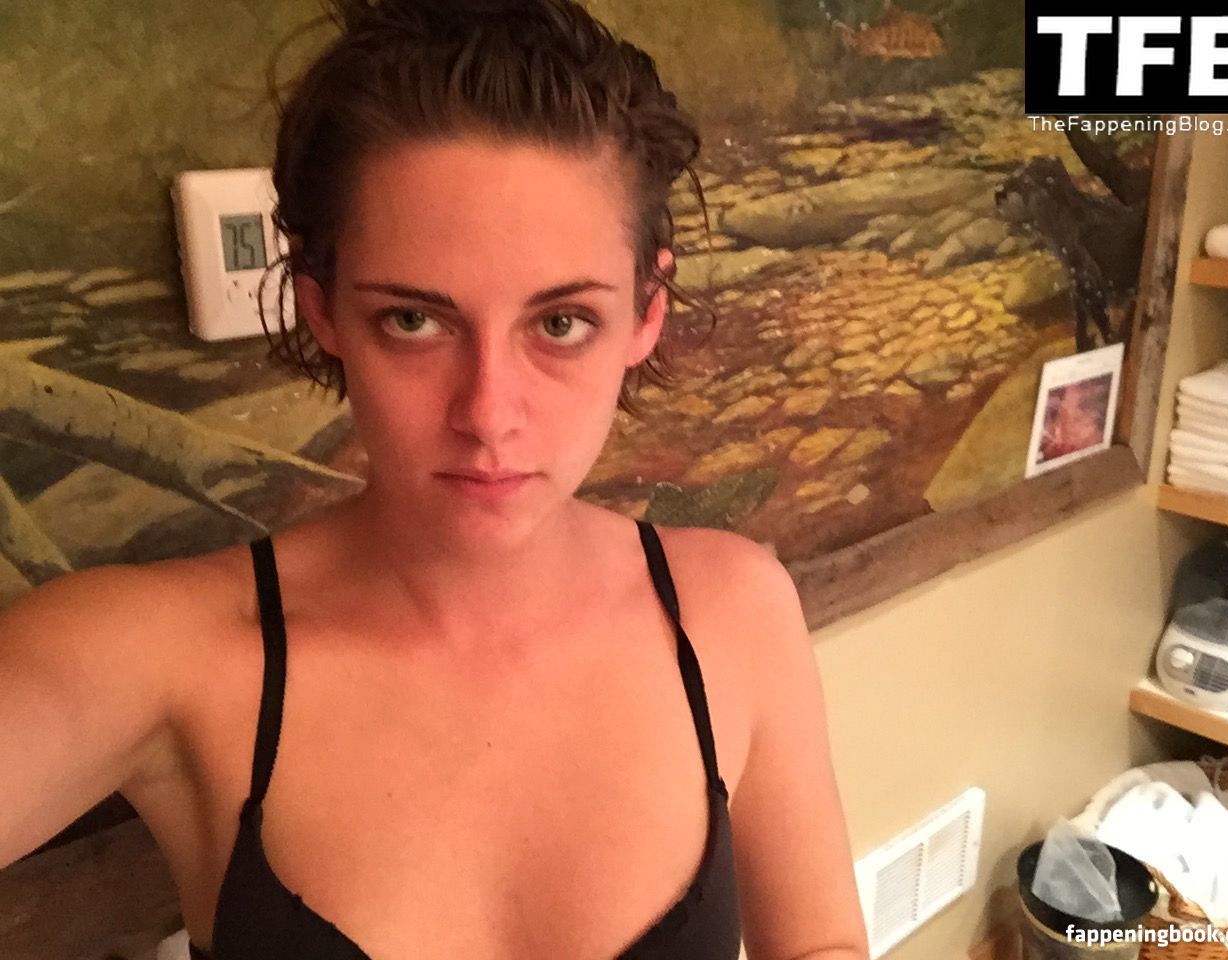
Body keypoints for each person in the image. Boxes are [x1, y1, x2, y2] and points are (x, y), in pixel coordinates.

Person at [0, 1, 870, 957]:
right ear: (323, 311)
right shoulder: (162, 654)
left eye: (561, 323)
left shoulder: (734, 615)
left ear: (644, 313)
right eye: (414, 321)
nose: (489, 414)